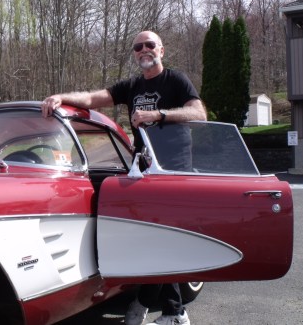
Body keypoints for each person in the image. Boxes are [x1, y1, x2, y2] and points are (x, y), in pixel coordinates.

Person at [41, 30, 207, 325]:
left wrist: (158, 115)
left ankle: (169, 310)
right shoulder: (131, 86)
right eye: (138, 47)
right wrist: (60, 97)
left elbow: (199, 113)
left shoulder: (176, 80)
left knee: (164, 238)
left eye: (150, 45)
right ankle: (159, 307)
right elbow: (93, 98)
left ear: (161, 50)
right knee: (150, 238)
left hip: (172, 170)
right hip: (143, 169)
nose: (144, 50)